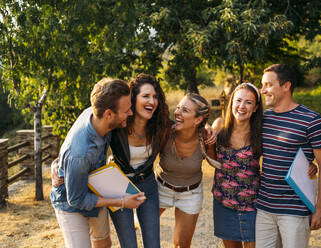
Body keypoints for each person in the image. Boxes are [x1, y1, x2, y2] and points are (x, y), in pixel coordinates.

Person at [50, 78, 145, 248]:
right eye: (127, 110)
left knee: (103, 244)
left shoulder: (95, 112)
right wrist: (122, 201)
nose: (131, 113)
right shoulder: (80, 154)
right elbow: (76, 200)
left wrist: (58, 162)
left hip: (94, 187)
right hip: (71, 202)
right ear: (109, 114)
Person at [255, 64, 321, 248]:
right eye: (262, 85)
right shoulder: (265, 118)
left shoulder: (312, 120)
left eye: (268, 85)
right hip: (264, 208)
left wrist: (320, 208)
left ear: (286, 86)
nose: (263, 90)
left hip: (295, 211)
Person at [109, 74, 171, 248]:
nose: (152, 101)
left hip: (147, 185)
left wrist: (208, 128)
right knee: (129, 244)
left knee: (153, 244)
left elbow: (185, 125)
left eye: (155, 97)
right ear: (132, 99)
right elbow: (91, 136)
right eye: (145, 96)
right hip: (118, 186)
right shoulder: (117, 125)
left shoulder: (161, 125)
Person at [156, 93, 217, 248]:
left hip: (190, 194)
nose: (177, 112)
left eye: (184, 110)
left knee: (182, 244)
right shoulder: (165, 132)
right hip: (161, 188)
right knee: (148, 234)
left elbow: (216, 163)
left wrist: (212, 129)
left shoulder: (205, 138)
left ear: (197, 120)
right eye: (178, 108)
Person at [211, 83, 263, 248]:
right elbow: (212, 159)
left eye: (248, 102)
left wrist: (309, 163)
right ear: (231, 102)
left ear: (255, 108)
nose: (242, 106)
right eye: (238, 100)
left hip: (252, 205)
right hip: (223, 202)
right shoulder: (220, 127)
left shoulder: (261, 132)